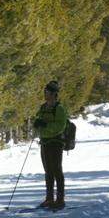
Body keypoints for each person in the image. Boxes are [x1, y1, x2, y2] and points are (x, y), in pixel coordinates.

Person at [32, 80, 69, 210]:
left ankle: (60, 200)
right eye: (45, 91)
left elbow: (60, 126)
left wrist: (45, 125)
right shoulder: (43, 107)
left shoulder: (59, 108)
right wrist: (36, 123)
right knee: (48, 171)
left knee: (57, 170)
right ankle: (49, 199)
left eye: (47, 92)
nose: (45, 94)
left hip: (56, 142)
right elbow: (37, 120)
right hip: (45, 142)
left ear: (54, 94)